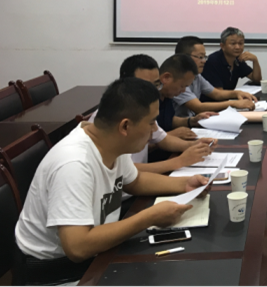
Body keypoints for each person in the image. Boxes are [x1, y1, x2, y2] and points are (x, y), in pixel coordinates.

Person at [14, 78, 211, 285]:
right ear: (125, 126)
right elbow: (77, 247)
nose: (154, 130)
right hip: (58, 272)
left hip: (98, 252)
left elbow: (135, 181)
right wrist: (149, 217)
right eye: (151, 122)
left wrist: (184, 184)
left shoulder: (110, 142)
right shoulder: (74, 164)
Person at [90, 54, 216, 175]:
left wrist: (195, 145)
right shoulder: (110, 118)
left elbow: (163, 139)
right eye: (145, 85)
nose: (153, 91)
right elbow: (126, 171)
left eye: (156, 84)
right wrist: (179, 161)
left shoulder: (144, 110)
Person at [173, 36, 257, 117]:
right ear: (184, 57)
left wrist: (237, 93)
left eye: (204, 57)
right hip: (180, 124)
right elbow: (198, 107)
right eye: (200, 57)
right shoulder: (177, 79)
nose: (204, 61)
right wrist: (233, 103)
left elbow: (217, 94)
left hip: (192, 120)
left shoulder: (197, 76)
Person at [156, 54, 216, 140]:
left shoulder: (167, 95)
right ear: (166, 78)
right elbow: (139, 141)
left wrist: (191, 121)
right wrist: (169, 135)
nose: (183, 90)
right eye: (182, 86)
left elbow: (167, 121)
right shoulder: (148, 99)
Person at [202, 27, 263, 92]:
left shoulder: (238, 60)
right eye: (233, 43)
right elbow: (218, 93)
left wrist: (255, 60)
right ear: (222, 46)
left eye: (240, 43)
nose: (237, 47)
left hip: (229, 97)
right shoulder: (213, 61)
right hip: (214, 98)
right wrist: (238, 94)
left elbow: (257, 80)